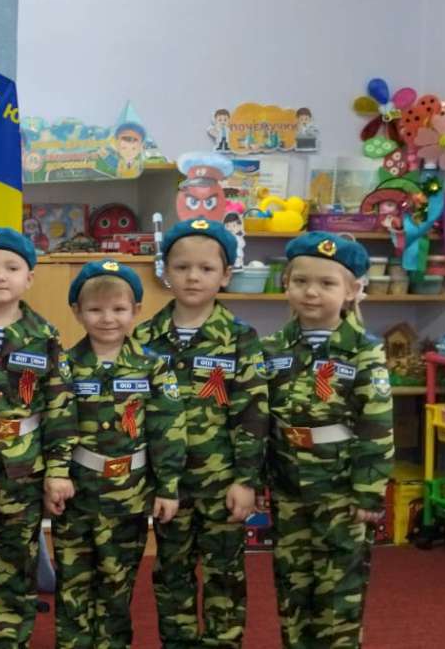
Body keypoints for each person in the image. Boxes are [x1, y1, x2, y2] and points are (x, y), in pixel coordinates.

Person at [135, 219, 270, 648]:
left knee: (224, 577)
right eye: (182, 267)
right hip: (167, 485)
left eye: (206, 269)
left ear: (226, 275)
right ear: (165, 272)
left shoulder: (240, 338)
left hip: (221, 483)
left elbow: (253, 414)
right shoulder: (144, 337)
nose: (193, 277)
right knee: (170, 574)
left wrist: (246, 480)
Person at [264, 232, 393, 648]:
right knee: (292, 584)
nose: (311, 292)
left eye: (326, 283)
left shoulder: (364, 351)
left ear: (352, 290)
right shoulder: (273, 347)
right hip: (288, 486)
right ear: (286, 284)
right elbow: (262, 417)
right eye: (300, 281)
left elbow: (376, 425)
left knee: (339, 587)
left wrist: (368, 492)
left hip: (340, 489)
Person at [0, 228, 76, 649]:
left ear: (29, 278)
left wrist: (58, 471)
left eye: (11, 267)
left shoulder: (45, 335)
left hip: (24, 470)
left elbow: (60, 407)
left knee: (18, 569)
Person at [55, 260, 186, 649]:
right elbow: (56, 427)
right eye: (95, 309)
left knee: (117, 582)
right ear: (77, 311)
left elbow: (168, 430)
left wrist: (168, 487)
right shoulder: (65, 365)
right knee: (73, 583)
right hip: (77, 493)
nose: (107, 318)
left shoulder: (153, 366)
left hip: (129, 493)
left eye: (118, 309)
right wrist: (53, 476)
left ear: (136, 310)